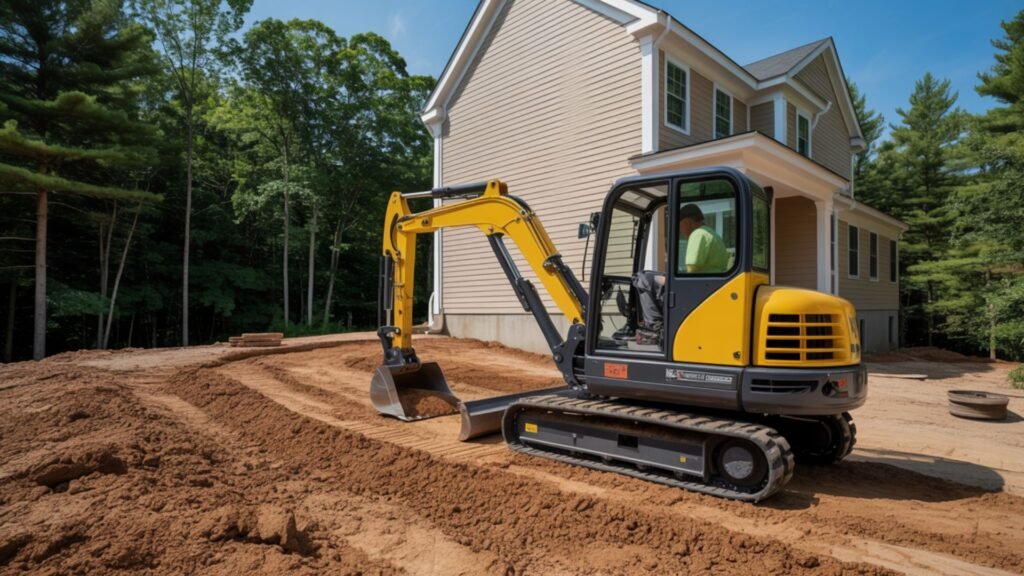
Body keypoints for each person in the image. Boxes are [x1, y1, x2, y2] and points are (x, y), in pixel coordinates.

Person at [678, 203, 729, 274]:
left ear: (687, 222)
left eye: (680, 227)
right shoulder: (711, 233)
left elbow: (692, 268)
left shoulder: (697, 234)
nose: (681, 231)